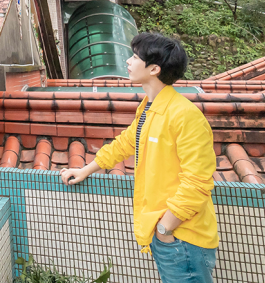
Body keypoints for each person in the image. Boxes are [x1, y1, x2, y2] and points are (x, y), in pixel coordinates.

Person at [59, 32, 218, 283]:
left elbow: (198, 182)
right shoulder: (149, 107)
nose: (128, 62)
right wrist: (86, 170)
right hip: (168, 235)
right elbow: (125, 143)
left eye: (135, 57)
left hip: (183, 238)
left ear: (154, 69)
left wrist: (165, 228)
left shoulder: (185, 116)